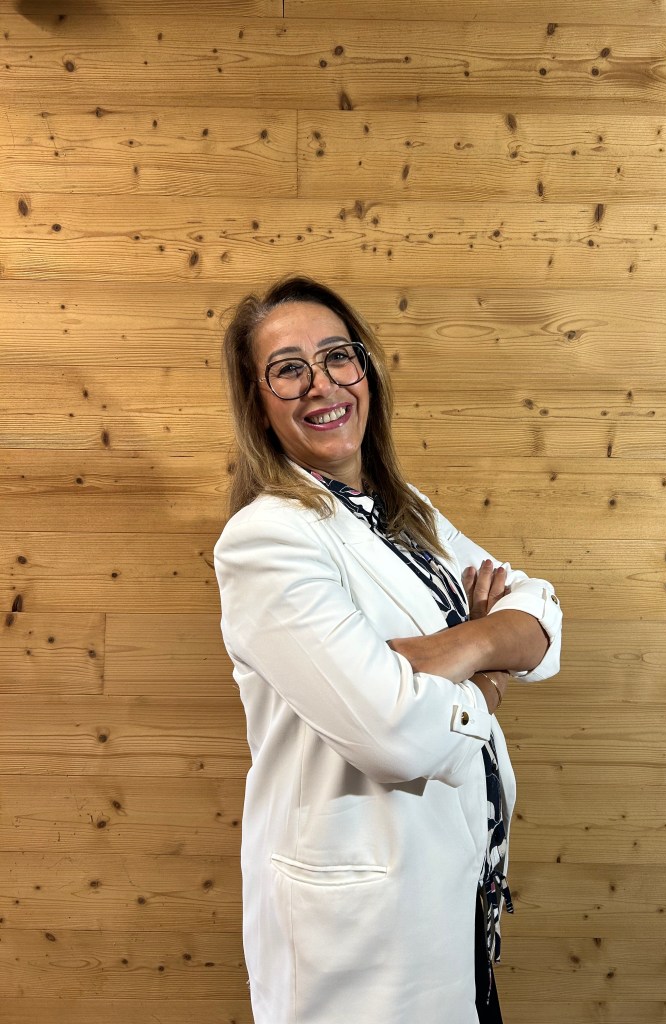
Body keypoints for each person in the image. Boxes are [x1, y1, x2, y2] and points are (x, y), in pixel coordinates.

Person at [213, 276, 562, 1024]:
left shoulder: (407, 515)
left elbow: (540, 614)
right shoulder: (266, 539)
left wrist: (452, 647)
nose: (322, 385)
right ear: (258, 403)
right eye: (288, 369)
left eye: (338, 357)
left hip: (455, 897)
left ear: (365, 369)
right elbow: (395, 737)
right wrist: (486, 680)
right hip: (362, 942)